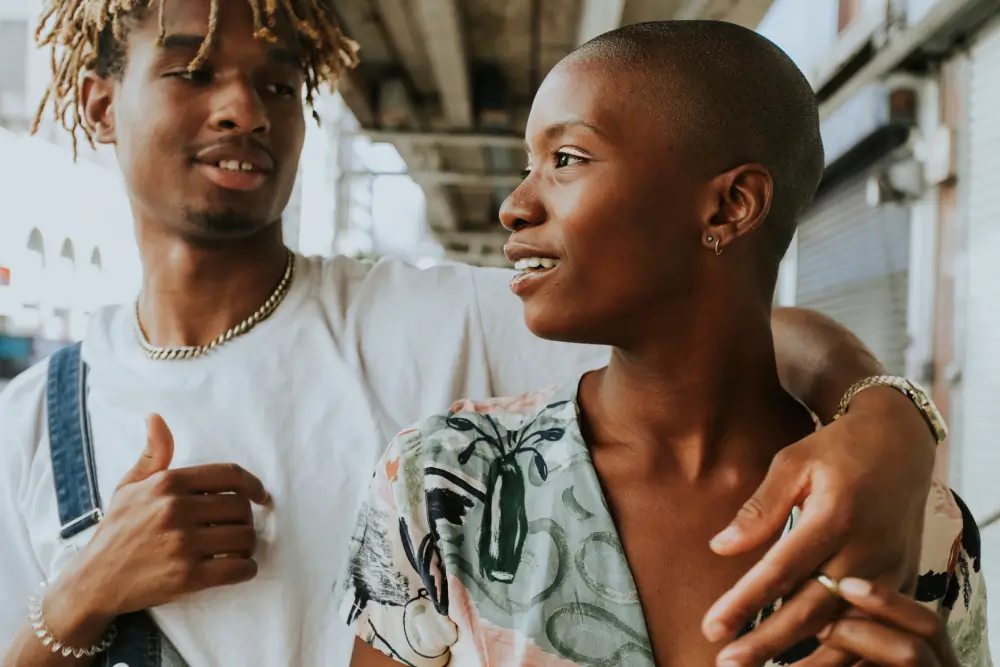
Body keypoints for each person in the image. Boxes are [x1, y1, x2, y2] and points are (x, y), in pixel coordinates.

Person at [0, 2, 954, 666]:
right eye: (192, 71)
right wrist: (80, 598)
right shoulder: (36, 426)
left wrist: (885, 420)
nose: (244, 108)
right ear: (96, 105)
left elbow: (727, 330)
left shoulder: (429, 321)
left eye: (282, 84)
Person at [337, 21, 988, 667]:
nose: (514, 204)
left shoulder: (904, 520)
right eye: (527, 164)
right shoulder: (444, 480)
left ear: (731, 206)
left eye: (566, 159)